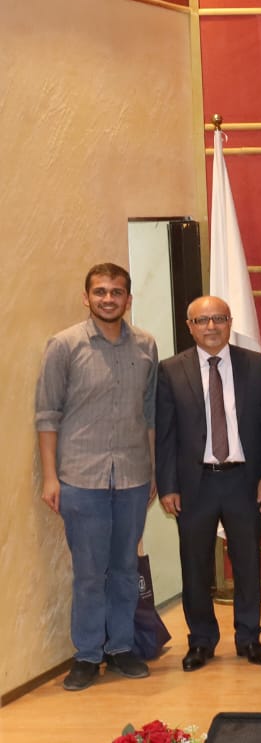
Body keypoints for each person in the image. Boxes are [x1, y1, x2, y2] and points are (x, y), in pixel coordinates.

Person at [35, 263, 159, 690]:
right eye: (101, 291)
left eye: (117, 292)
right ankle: (87, 655)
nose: (109, 299)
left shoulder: (146, 345)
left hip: (133, 477)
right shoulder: (64, 346)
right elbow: (47, 415)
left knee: (125, 568)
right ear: (86, 297)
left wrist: (153, 471)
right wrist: (50, 477)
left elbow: (149, 415)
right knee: (89, 573)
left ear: (128, 299)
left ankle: (121, 648)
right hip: (80, 479)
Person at [155, 296, 261, 672]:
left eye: (218, 318)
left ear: (229, 322)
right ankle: (201, 641)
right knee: (195, 566)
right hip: (195, 484)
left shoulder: (255, 365)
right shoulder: (170, 370)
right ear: (189, 326)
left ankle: (249, 638)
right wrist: (168, 485)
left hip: (244, 480)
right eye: (202, 320)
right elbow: (165, 434)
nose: (211, 326)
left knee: (247, 563)